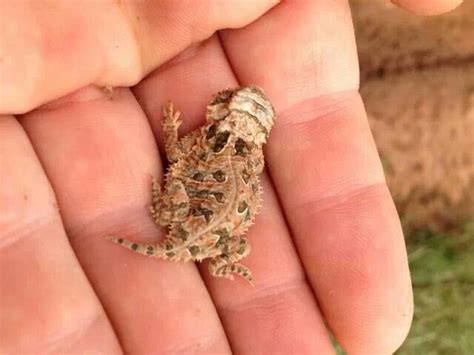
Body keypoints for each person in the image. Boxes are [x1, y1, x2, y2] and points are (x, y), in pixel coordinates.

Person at [0, 0, 463, 353]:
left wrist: (168, 131)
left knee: (176, 197)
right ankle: (224, 264)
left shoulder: (212, 141)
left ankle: (189, 242)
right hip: (216, 238)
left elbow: (180, 154)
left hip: (193, 223)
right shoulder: (250, 159)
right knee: (224, 233)